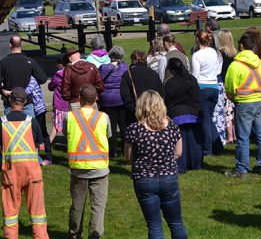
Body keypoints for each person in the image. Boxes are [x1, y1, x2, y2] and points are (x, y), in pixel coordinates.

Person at [124, 91, 187, 239]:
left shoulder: (134, 129)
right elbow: (178, 153)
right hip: (168, 177)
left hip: (144, 179)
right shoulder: (172, 126)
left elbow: (128, 157)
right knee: (176, 222)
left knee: (154, 225)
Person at [0, 87, 48, 239]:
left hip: (10, 173)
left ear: (9, 100)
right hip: (32, 172)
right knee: (38, 213)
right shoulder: (33, 122)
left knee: (10, 212)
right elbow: (38, 145)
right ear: (25, 102)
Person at [66, 84, 110, 239]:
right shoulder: (103, 117)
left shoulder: (70, 116)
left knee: (77, 205)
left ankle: (74, 234)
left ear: (79, 99)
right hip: (99, 168)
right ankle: (95, 235)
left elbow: (66, 133)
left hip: (78, 167)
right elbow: (108, 134)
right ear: (96, 99)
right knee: (98, 206)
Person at [223, 33, 261, 177]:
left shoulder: (235, 65)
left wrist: (232, 96)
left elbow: (229, 87)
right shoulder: (260, 62)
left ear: (241, 45)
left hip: (243, 103)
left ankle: (241, 169)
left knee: (243, 137)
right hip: (258, 101)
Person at [164, 59, 202, 173]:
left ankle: (180, 166)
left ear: (172, 70)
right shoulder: (192, 79)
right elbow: (197, 96)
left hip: (177, 114)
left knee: (179, 141)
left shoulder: (170, 83)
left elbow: (167, 99)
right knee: (193, 141)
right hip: (193, 113)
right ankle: (196, 164)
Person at [189, 30, 222, 156]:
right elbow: (218, 69)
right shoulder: (215, 52)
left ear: (197, 40)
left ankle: (208, 148)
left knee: (205, 119)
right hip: (214, 86)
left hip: (202, 87)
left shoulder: (197, 55)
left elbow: (195, 75)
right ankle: (217, 145)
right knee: (209, 118)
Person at [0, 35, 46, 113]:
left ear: (10, 45)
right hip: (26, 101)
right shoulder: (30, 61)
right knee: (28, 124)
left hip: (10, 102)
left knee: (10, 125)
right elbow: (43, 79)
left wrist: (3, 91)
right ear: (22, 45)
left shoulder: (3, 62)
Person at [98, 46, 128, 157]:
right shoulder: (125, 67)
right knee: (123, 126)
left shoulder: (103, 68)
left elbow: (98, 81)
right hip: (121, 99)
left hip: (107, 100)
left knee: (111, 127)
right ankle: (126, 150)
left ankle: (112, 151)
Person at [120, 50, 164, 125]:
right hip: (153, 110)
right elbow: (161, 92)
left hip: (135, 113)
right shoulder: (153, 73)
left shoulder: (128, 74)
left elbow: (125, 95)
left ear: (133, 60)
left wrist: (133, 109)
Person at [25, 71, 53, 165]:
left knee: (43, 133)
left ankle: (48, 157)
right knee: (34, 134)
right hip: (34, 109)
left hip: (39, 109)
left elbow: (26, 91)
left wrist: (11, 92)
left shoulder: (31, 79)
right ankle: (35, 156)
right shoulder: (26, 79)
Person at [48, 58, 68, 143]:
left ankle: (49, 142)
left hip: (59, 103)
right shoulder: (72, 73)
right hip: (69, 103)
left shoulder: (58, 74)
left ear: (60, 65)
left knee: (57, 124)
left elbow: (50, 86)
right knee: (69, 124)